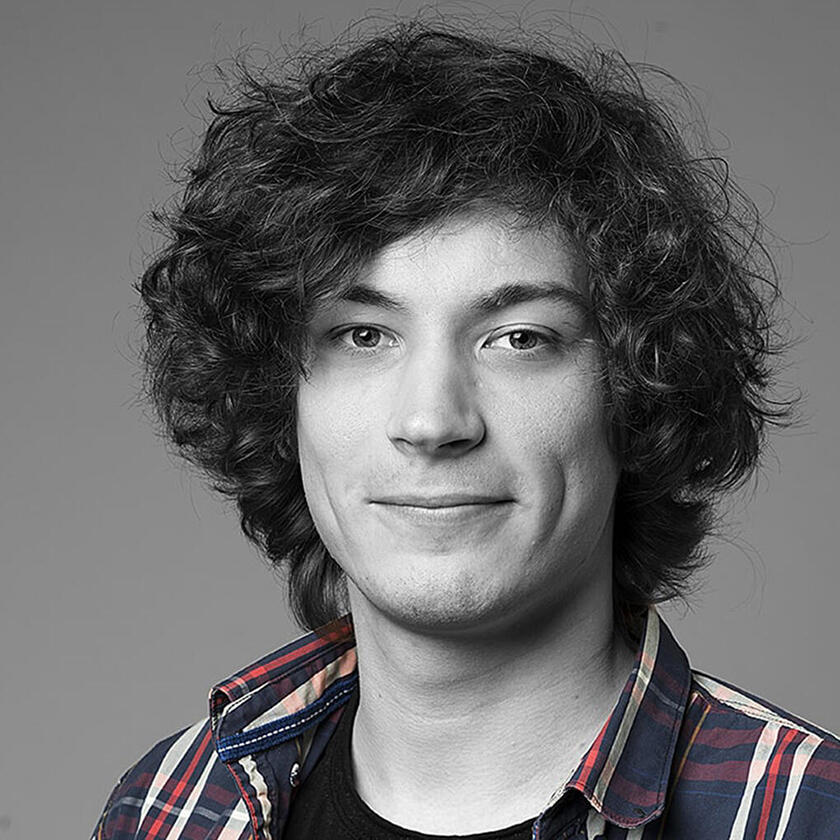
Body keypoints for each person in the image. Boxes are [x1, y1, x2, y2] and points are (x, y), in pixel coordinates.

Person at [91, 19, 840, 840]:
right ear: (278, 398)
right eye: (363, 336)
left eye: (519, 339)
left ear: (636, 391)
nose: (432, 422)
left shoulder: (805, 815)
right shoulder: (171, 809)